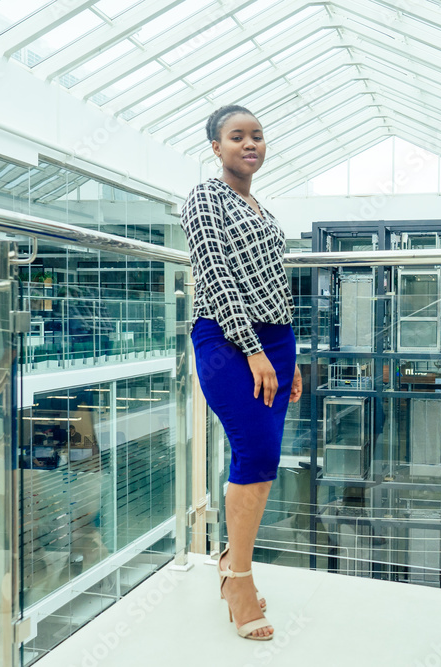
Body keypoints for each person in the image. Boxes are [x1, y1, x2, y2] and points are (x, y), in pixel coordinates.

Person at [180, 105, 303, 641]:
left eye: (256, 136)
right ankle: (237, 579)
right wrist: (253, 350)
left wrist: (288, 361)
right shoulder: (207, 197)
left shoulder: (258, 204)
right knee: (254, 450)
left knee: (266, 453)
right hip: (228, 337)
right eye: (237, 137)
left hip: (275, 339)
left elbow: (277, 283)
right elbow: (215, 272)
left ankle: (235, 560)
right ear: (216, 147)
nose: (249, 144)